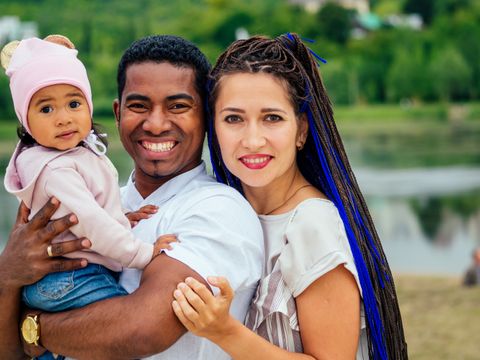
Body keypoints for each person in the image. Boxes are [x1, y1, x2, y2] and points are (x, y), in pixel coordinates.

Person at [0, 35, 264, 359]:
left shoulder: (220, 210)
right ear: (118, 112)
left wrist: (32, 327)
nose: (155, 124)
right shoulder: (92, 199)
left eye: (178, 106)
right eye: (139, 105)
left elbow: (142, 330)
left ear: (206, 117)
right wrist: (8, 276)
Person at [170, 33, 408, 359]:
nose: (253, 140)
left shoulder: (311, 225)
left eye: (272, 118)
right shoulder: (219, 210)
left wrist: (224, 331)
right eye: (234, 118)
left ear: (301, 130)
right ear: (214, 126)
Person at [2, 35, 177, 360]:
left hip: (70, 277)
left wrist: (123, 218)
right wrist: (143, 253)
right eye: (46, 108)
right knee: (121, 329)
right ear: (25, 120)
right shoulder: (56, 171)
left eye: (74, 103)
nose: (64, 117)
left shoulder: (74, 154)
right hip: (71, 277)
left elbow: (91, 212)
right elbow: (89, 223)